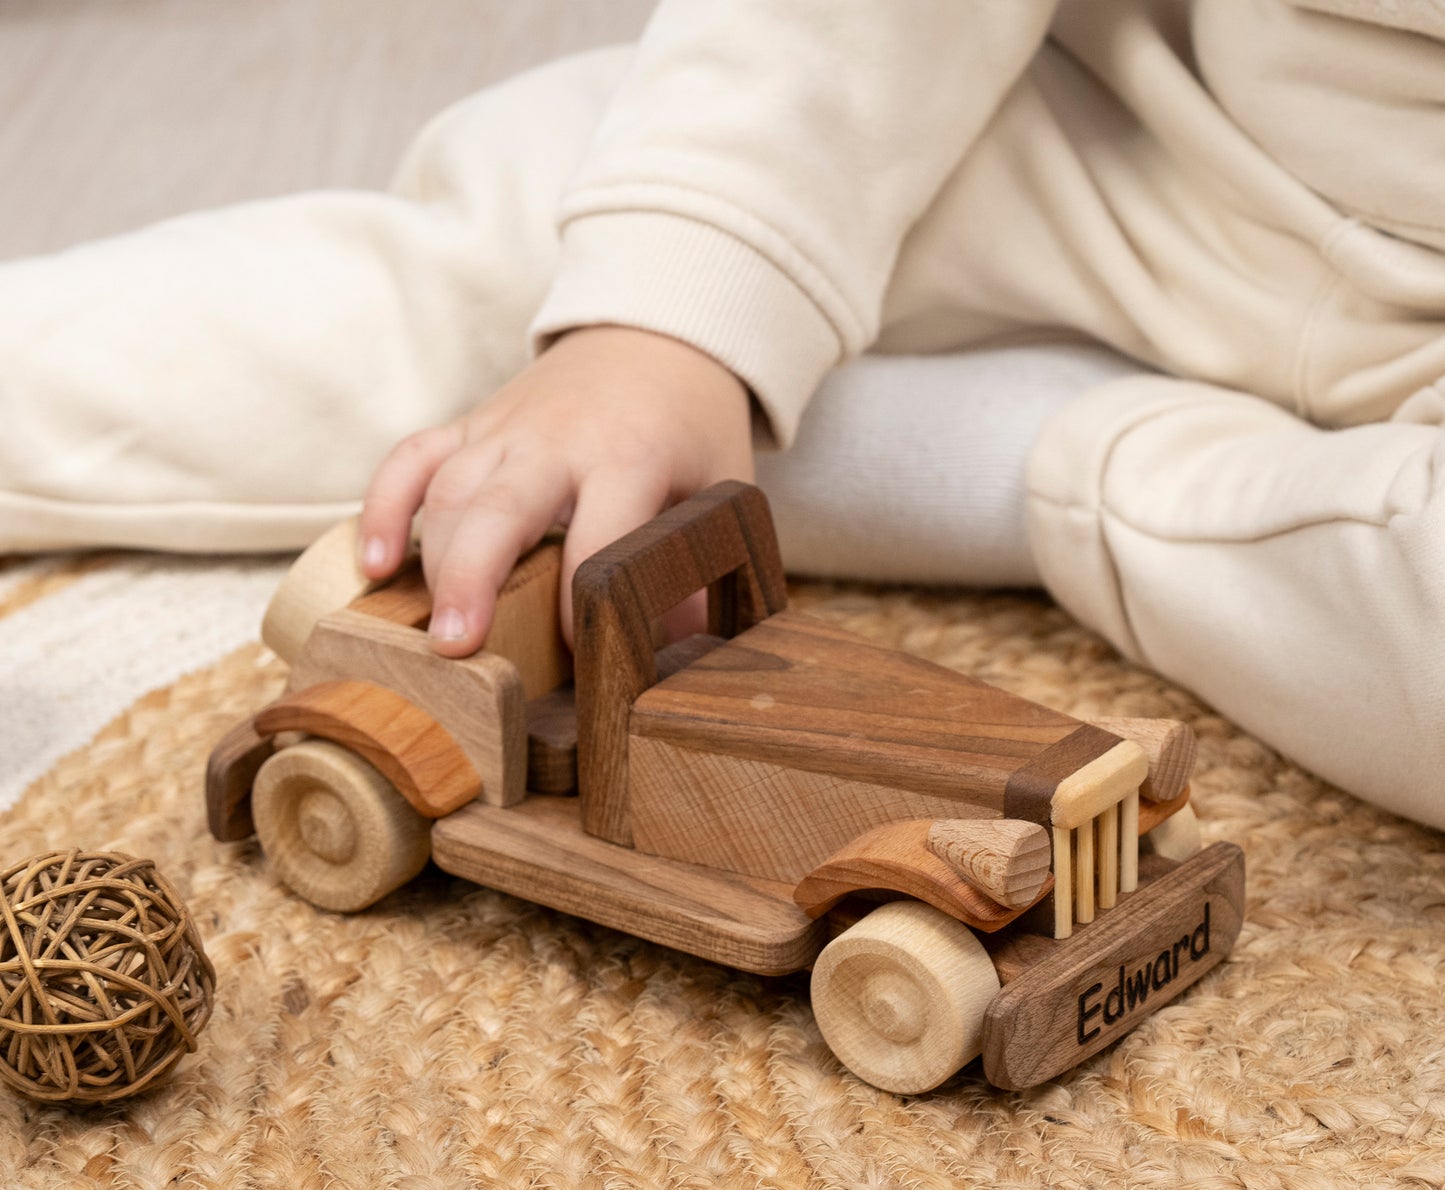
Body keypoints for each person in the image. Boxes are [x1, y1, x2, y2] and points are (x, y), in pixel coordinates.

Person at [3, 0, 1444, 829]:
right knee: (514, 258)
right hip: (1122, 104)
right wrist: (669, 303)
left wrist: (1058, 469)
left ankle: (1006, 460)